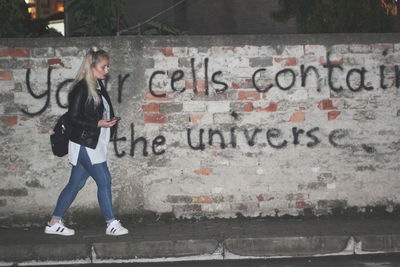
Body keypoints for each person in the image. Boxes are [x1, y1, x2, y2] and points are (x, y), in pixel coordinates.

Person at [45, 47, 128, 236]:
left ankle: (54, 222)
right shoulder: (81, 88)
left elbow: (100, 111)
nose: (107, 70)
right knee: (104, 180)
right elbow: (73, 118)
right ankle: (111, 223)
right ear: (92, 67)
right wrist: (98, 122)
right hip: (85, 144)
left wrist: (108, 122)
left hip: (94, 142)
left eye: (107, 66)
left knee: (75, 184)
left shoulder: (98, 85)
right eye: (104, 66)